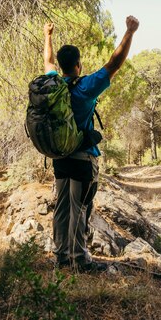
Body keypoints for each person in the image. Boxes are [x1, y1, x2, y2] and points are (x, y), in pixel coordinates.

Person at [43, 15, 140, 272]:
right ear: (78, 64)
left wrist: (48, 36)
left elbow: (47, 61)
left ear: (62, 66)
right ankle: (80, 259)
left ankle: (62, 256)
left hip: (60, 158)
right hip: (83, 158)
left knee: (62, 206)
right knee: (81, 207)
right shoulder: (85, 87)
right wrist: (129, 32)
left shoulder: (53, 85)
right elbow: (114, 63)